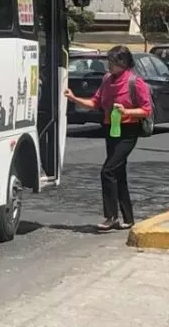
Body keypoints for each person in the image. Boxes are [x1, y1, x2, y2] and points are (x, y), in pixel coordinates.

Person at [63, 45, 152, 231]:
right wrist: (74, 98)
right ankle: (128, 218)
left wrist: (127, 111)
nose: (109, 66)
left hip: (128, 131)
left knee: (108, 171)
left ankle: (110, 216)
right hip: (111, 129)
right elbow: (94, 103)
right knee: (118, 173)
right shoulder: (106, 80)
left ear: (123, 63)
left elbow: (146, 110)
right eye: (109, 61)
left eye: (113, 62)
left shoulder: (135, 82)